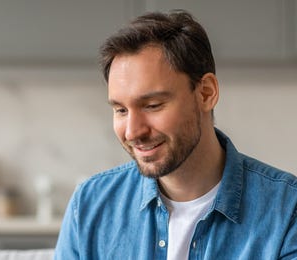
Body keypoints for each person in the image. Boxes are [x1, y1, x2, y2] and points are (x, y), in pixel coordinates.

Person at [54, 10, 297, 260]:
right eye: (121, 110)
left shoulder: (287, 209)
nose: (133, 131)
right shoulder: (90, 205)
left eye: (152, 105)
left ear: (205, 93)